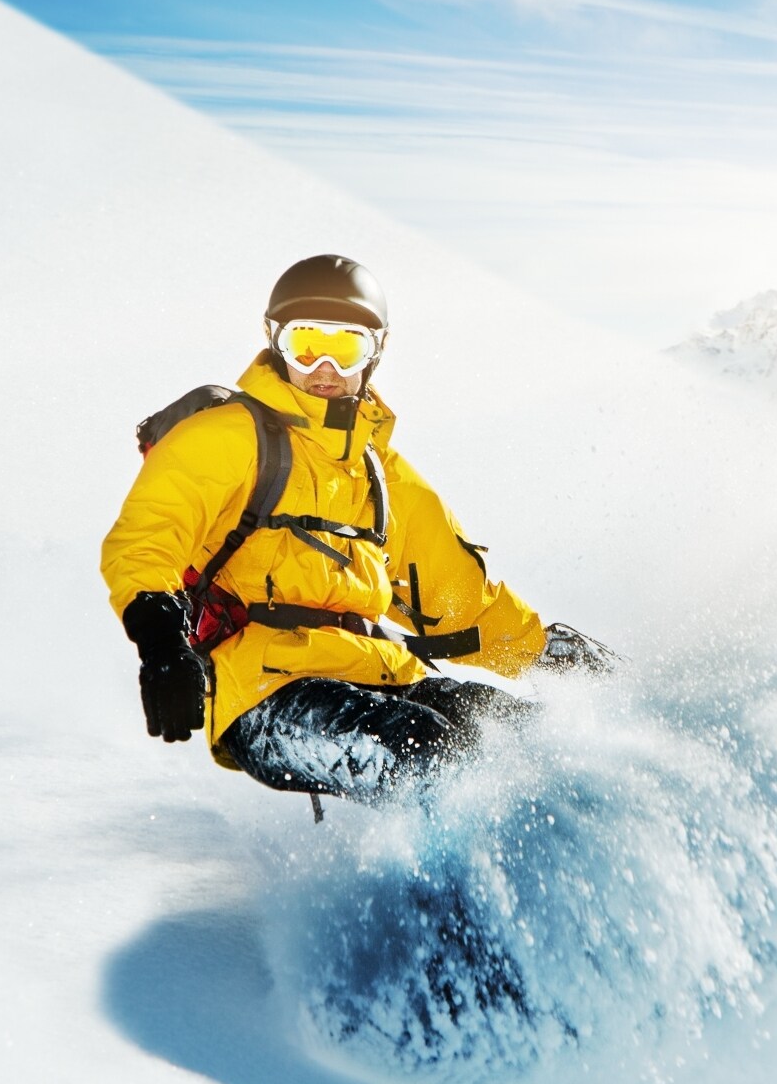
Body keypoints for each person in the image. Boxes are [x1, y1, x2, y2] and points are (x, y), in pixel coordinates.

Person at [101, 254, 615, 799]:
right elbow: (146, 539)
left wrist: (549, 654)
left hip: (382, 669)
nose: (325, 367)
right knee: (430, 754)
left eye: (346, 347)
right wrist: (162, 646)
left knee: (527, 741)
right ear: (275, 341)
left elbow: (456, 599)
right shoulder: (226, 437)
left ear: (376, 352)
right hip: (267, 690)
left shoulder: (381, 473)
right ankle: (453, 883)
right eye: (306, 343)